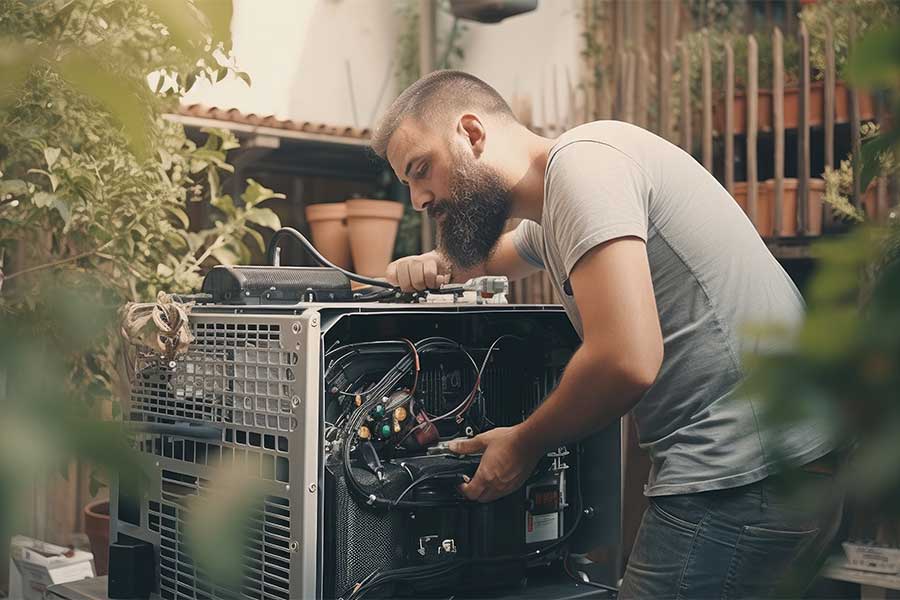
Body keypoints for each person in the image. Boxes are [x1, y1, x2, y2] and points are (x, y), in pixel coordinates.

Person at [371, 70, 841, 598]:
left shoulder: (585, 168)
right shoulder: (558, 206)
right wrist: (425, 264)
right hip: (777, 471)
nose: (417, 199)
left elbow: (626, 358)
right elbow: (475, 261)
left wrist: (525, 442)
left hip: (745, 476)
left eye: (421, 170)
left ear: (472, 134)